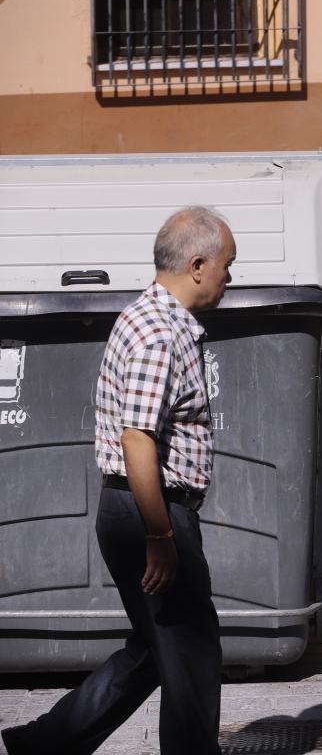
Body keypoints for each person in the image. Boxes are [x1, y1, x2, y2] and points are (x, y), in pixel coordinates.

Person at [2, 206, 236, 755]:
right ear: (198, 264)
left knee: (157, 650)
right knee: (193, 659)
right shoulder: (160, 333)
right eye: (227, 266)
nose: (230, 279)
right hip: (150, 511)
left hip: (135, 509)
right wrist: (161, 536)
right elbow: (138, 439)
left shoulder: (146, 316)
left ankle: (43, 743)